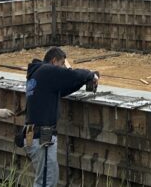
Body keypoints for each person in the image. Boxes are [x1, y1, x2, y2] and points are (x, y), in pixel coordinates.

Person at [24, 47, 99, 187]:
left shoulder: (37, 74)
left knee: (46, 179)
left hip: (32, 134)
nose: (64, 67)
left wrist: (83, 81)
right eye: (62, 63)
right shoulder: (47, 70)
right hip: (42, 137)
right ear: (54, 61)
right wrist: (90, 74)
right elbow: (70, 76)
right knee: (46, 182)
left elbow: (63, 88)